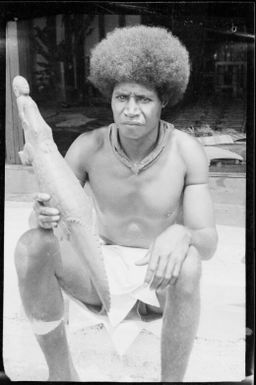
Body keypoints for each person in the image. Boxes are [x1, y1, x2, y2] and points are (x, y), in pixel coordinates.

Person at [14, 25, 218, 382]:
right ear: (110, 96)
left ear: (164, 100)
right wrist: (41, 216)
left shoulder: (187, 152)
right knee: (30, 246)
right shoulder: (88, 146)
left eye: (143, 99)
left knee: (189, 265)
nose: (130, 110)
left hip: (159, 278)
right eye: (122, 98)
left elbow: (208, 241)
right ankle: (62, 375)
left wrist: (181, 234)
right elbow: (49, 221)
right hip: (99, 270)